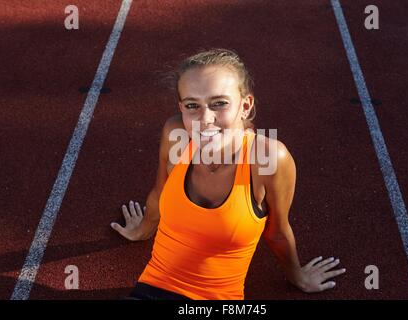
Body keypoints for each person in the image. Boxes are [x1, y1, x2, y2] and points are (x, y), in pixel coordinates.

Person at [111, 48, 346, 300]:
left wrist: (297, 276)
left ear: (245, 105)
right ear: (181, 108)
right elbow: (161, 191)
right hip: (151, 292)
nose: (206, 119)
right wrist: (142, 230)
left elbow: (277, 231)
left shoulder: (267, 157)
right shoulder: (176, 135)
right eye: (192, 106)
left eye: (219, 103)